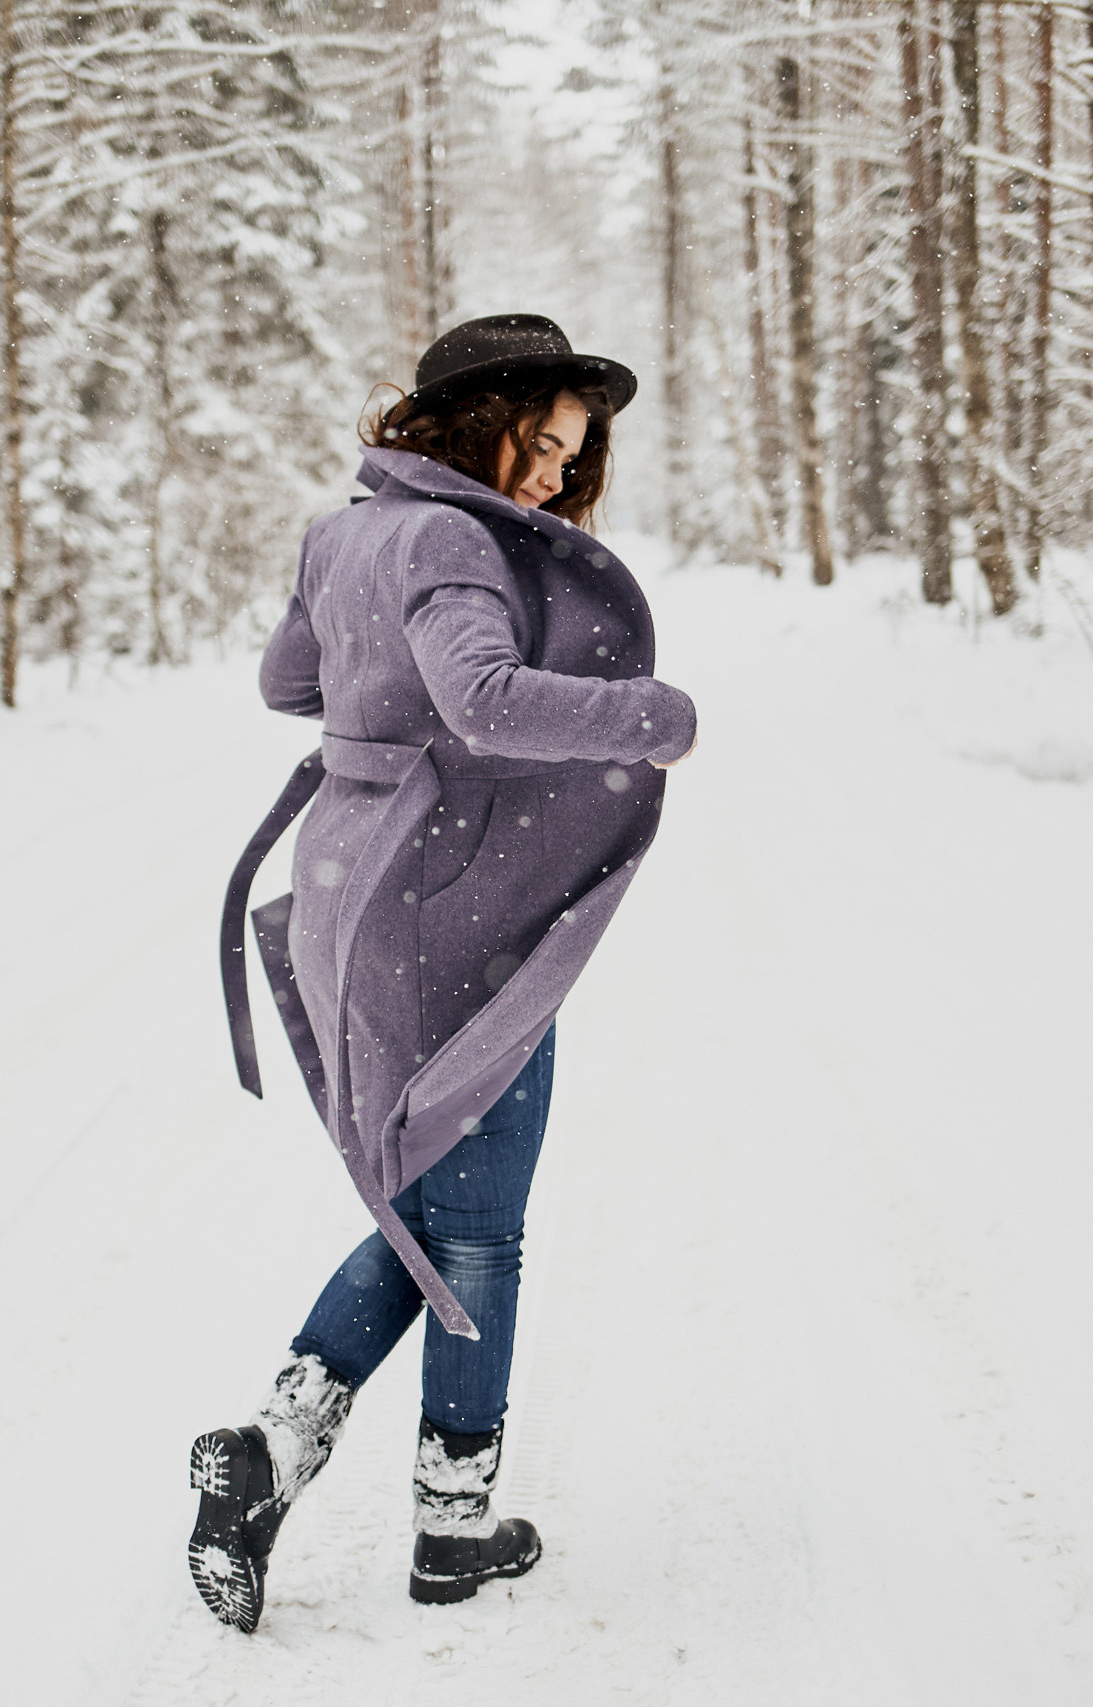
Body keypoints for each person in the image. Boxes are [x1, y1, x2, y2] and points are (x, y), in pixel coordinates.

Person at [195, 314, 697, 1633]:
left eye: (571, 462)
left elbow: (285, 682)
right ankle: (445, 1529)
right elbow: (484, 698)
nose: (549, 481)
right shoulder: (453, 537)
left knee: (432, 1203)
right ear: (483, 420)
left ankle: (274, 1460)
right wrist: (653, 717)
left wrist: (382, 714)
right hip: (447, 910)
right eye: (542, 447)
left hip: (350, 888)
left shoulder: (346, 530)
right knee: (478, 1230)